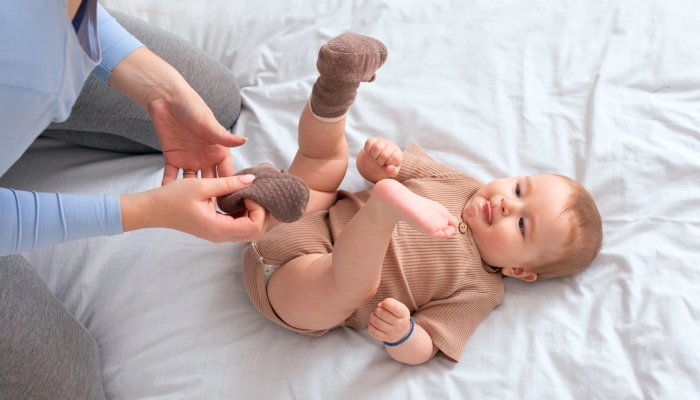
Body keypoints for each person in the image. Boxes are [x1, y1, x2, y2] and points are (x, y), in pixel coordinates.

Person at [239, 33, 604, 365]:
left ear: (519, 270)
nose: (509, 204)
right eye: (520, 190)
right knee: (325, 163)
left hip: (300, 287)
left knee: (348, 285)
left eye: (523, 224)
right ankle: (336, 86)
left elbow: (428, 345)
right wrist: (378, 160)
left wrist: (405, 335)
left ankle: (382, 211)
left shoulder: (480, 289)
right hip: (307, 217)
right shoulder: (461, 183)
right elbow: (380, 169)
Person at [1, 1, 266, 398]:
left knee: (214, 102)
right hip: (25, 65)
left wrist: (159, 87)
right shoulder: (36, 72)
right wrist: (142, 210)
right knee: (66, 384)